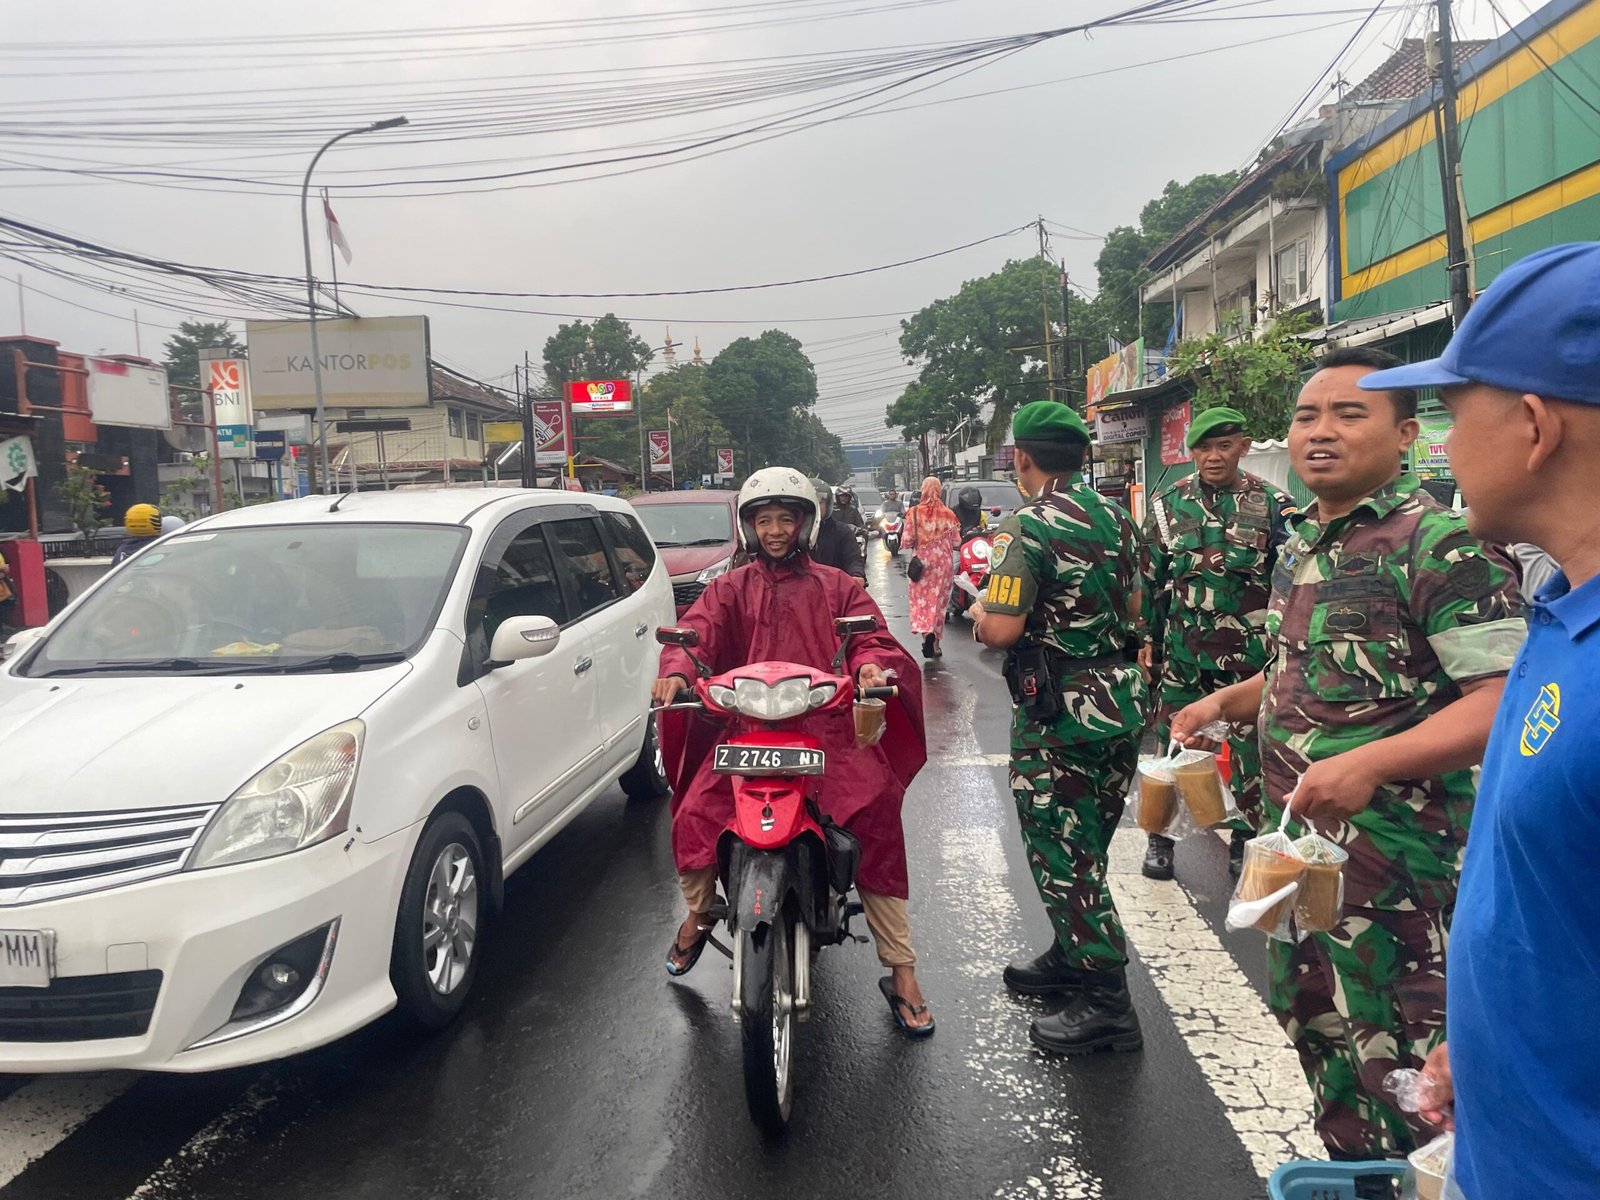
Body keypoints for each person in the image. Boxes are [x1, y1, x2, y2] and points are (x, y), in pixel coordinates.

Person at [1170, 347, 1524, 1170]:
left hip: (1402, 877)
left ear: (1406, 434)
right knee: (1319, 1028)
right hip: (1305, 864)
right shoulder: (1307, 543)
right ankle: (1352, 1177)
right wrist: (1226, 701)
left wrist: (1371, 765)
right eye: (1306, 416)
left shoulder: (1439, 544)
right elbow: (1300, 669)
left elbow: (1507, 700)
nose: (1320, 432)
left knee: (1411, 1071)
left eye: (1348, 414)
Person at [1355, 243, 1600, 1199]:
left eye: (1453, 416)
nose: (1439, 448)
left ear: (1534, 427)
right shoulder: (1560, 607)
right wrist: (1486, 1045)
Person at [651, 469, 935, 1036]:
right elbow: (693, 634)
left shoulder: (837, 586)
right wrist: (678, 671)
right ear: (750, 527)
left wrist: (869, 664)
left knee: (875, 811)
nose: (775, 531)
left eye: (786, 519)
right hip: (745, 729)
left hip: (824, 727)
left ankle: (902, 969)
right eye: (764, 521)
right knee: (695, 810)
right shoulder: (728, 588)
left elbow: (869, 637)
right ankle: (699, 914)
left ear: (805, 523)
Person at [967, 401, 1150, 1056]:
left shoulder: (1027, 526)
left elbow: (1000, 628)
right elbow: (1137, 610)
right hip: (1120, 705)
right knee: (1088, 842)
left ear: (1022, 457)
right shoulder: (1121, 522)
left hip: (1063, 714)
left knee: (1060, 851)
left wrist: (984, 606)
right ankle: (1072, 957)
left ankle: (1106, 1003)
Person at [1139, 406, 1299, 883]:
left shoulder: (1274, 505)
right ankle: (1160, 841)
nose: (1213, 456)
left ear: (1243, 447)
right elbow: (1151, 580)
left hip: (1248, 660)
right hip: (1184, 654)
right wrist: (1147, 637)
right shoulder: (1168, 506)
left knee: (1251, 757)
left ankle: (1244, 840)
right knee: (1175, 749)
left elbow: (1290, 581)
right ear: (1192, 452)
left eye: (1224, 446)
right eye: (1203, 447)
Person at [904, 476, 961, 660]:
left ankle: (926, 634)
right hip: (944, 564)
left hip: (922, 564)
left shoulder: (914, 512)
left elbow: (907, 541)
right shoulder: (949, 513)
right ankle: (936, 645)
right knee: (939, 603)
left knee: (922, 601)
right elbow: (957, 541)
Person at [808, 476, 866, 585]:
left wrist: (857, 574)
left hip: (834, 588)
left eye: (819, 502)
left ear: (828, 504)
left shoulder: (842, 532)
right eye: (810, 501)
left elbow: (853, 559)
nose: (815, 506)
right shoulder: (791, 532)